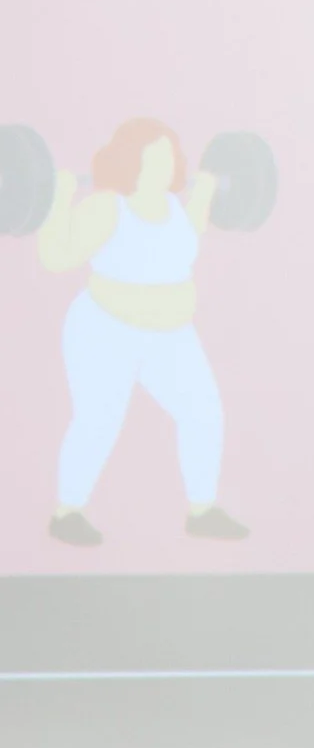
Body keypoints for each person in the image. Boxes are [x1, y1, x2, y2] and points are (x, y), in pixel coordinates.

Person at [37, 117, 248, 546]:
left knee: (204, 411)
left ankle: (202, 510)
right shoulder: (105, 207)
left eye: (167, 157)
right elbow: (57, 258)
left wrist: (206, 193)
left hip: (169, 336)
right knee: (98, 419)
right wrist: (57, 199)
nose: (163, 167)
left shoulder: (175, 207)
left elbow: (182, 244)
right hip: (105, 332)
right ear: (129, 162)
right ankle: (67, 511)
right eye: (153, 159)